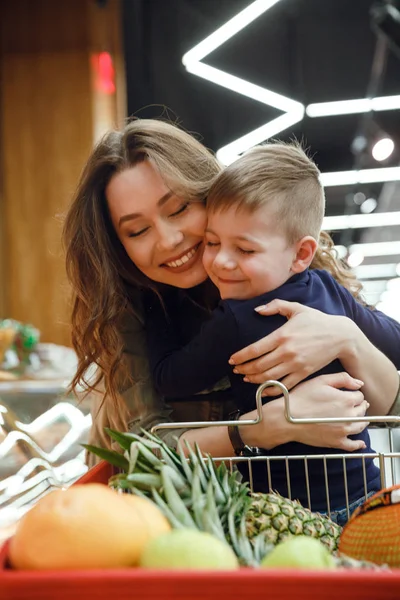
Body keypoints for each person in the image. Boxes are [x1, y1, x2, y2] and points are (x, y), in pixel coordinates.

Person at [62, 119, 400, 496]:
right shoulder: (131, 312)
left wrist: (345, 338)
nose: (170, 240)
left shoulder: (289, 266)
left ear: (212, 193)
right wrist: (262, 427)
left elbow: (392, 392)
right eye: (137, 231)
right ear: (117, 245)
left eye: (178, 209)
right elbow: (143, 457)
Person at [142, 141, 400, 515]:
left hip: (282, 508)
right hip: (368, 493)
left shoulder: (234, 319)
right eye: (212, 242)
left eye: (244, 250)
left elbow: (170, 377)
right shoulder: (328, 289)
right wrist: (347, 333)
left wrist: (154, 303)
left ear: (300, 254)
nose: (221, 262)